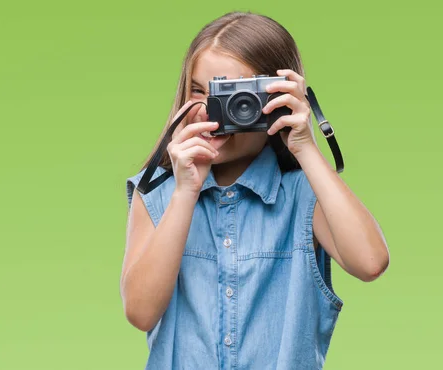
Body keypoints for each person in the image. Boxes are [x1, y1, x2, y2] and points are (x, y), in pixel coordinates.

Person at [120, 11, 390, 369]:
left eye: (233, 94)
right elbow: (139, 312)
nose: (211, 110)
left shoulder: (304, 195)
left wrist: (305, 146)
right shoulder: (157, 193)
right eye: (200, 90)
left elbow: (370, 263)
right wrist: (185, 191)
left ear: (277, 97)